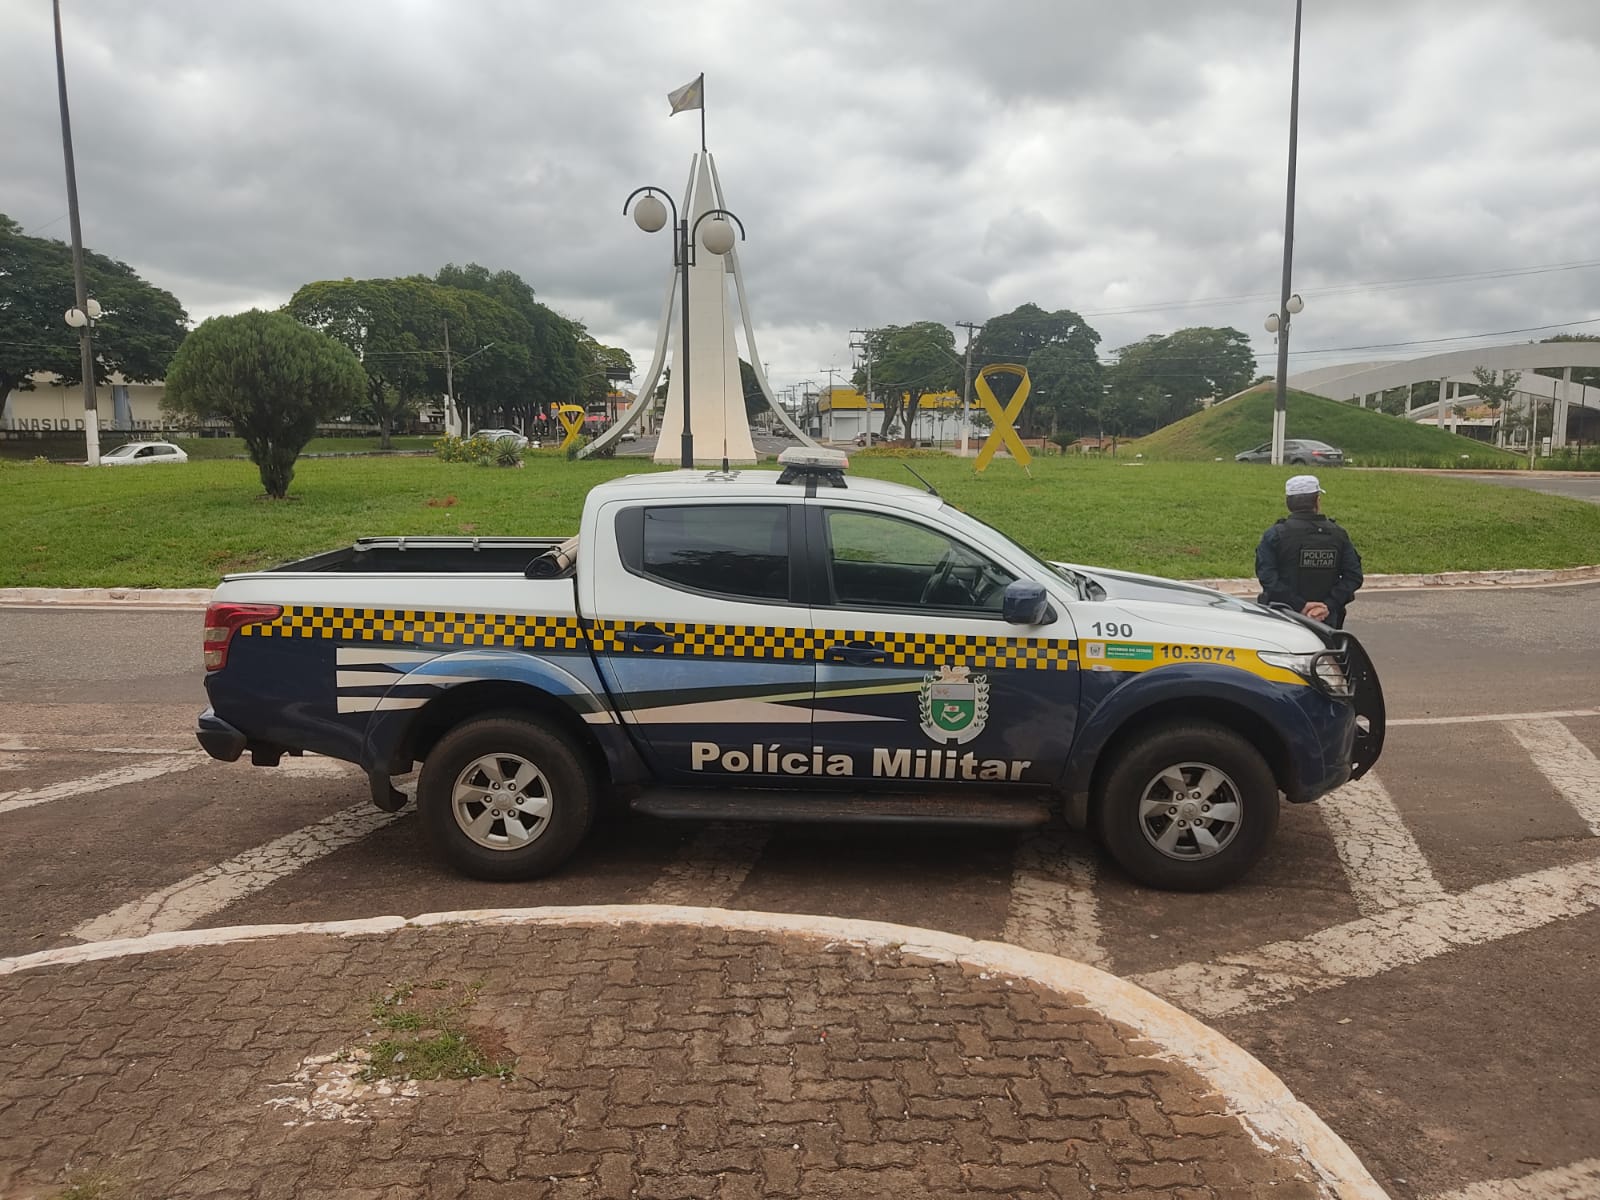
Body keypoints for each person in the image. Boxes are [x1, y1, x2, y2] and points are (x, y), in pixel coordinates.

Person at [1255, 474, 1363, 628]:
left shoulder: (1275, 535)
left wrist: (1300, 605)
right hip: (1326, 621)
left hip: (1284, 618)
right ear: (1317, 501)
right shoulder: (1338, 534)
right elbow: (1353, 576)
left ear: (1288, 503)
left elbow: (1268, 578)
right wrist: (1327, 605)